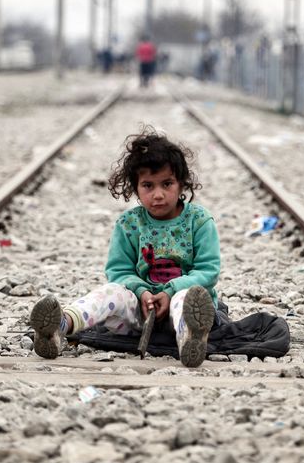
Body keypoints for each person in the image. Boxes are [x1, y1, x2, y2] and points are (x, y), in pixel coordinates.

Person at [30, 127, 220, 367]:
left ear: (182, 184)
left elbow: (208, 271)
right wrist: (141, 292)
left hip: (180, 309)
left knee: (187, 297)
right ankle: (59, 327)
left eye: (167, 184)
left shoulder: (199, 221)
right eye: (148, 186)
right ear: (135, 188)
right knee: (109, 291)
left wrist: (170, 291)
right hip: (139, 312)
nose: (158, 194)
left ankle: (191, 339)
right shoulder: (129, 224)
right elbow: (119, 271)